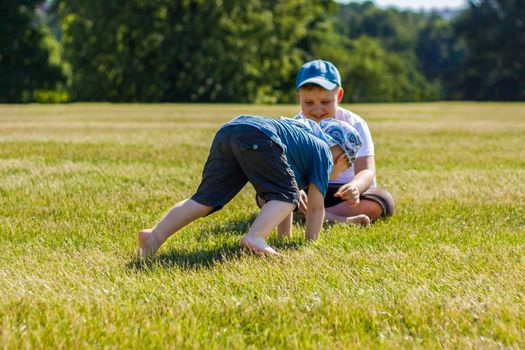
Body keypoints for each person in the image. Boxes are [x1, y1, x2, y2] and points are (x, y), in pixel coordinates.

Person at [138, 114, 364, 258]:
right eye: (344, 168)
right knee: (287, 196)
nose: (338, 173)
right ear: (342, 157)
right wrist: (310, 246)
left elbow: (282, 192)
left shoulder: (302, 145)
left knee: (205, 199)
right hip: (260, 135)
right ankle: (255, 237)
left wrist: (283, 239)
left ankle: (154, 236)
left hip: (230, 129)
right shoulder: (324, 153)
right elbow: (315, 208)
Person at [271, 59, 394, 223]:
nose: (317, 109)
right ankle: (332, 218)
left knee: (382, 200)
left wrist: (356, 187)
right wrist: (294, 189)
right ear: (298, 97)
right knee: (265, 195)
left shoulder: (354, 124)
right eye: (308, 102)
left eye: (325, 102)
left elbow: (367, 170)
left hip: (341, 193)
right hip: (307, 189)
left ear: (339, 96)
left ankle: (313, 216)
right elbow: (285, 166)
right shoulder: (295, 126)